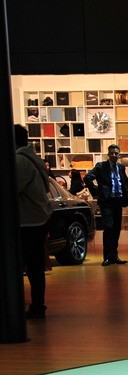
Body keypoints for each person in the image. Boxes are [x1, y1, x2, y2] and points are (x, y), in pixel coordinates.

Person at [14, 124, 53, 319]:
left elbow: (14, 187)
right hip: (38, 219)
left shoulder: (20, 160)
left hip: (27, 221)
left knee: (22, 265)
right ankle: (38, 305)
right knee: (36, 266)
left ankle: (19, 308)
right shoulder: (33, 158)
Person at [84, 144, 128, 266]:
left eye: (116, 153)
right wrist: (97, 192)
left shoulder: (120, 167)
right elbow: (87, 178)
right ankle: (107, 257)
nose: (114, 155)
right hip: (107, 202)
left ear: (119, 154)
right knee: (109, 228)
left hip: (118, 201)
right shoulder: (101, 166)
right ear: (108, 154)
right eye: (112, 153)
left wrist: (124, 191)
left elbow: (125, 180)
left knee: (116, 229)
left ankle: (114, 256)